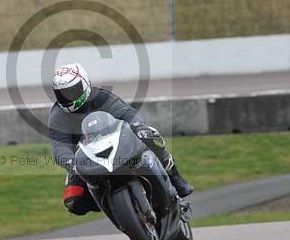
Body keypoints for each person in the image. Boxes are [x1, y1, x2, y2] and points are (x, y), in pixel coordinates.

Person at [48, 62, 194, 216]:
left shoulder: (101, 97)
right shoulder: (57, 115)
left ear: (84, 84)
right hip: (87, 157)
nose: (67, 97)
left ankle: (174, 177)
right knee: (73, 200)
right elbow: (59, 148)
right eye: (62, 93)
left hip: (117, 143)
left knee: (148, 134)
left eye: (71, 91)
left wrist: (136, 125)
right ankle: (113, 205)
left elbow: (126, 113)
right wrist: (72, 163)